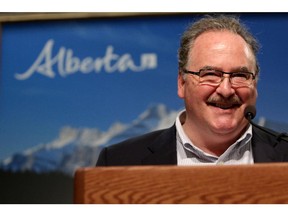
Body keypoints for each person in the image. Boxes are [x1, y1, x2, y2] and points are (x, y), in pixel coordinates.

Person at [96, 14, 288, 166]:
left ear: (255, 84)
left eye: (240, 75)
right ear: (182, 83)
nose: (226, 90)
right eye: (210, 74)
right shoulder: (118, 161)